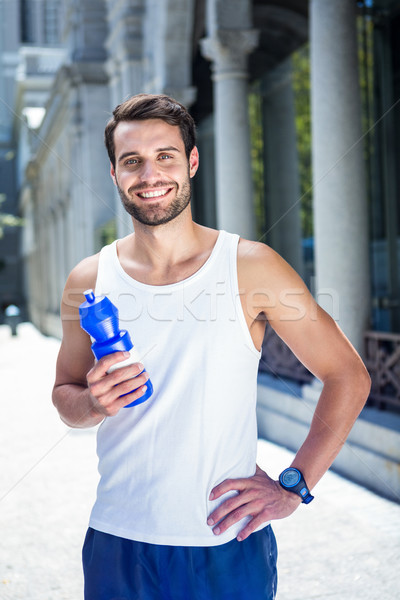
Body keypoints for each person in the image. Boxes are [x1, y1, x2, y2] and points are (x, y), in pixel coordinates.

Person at [52, 93, 371, 600]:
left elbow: (348, 375)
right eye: (131, 161)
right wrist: (92, 403)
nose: (150, 175)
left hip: (224, 542)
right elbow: (65, 397)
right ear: (113, 173)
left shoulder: (250, 265)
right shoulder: (88, 279)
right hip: (116, 541)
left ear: (192, 161)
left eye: (166, 157)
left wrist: (295, 483)